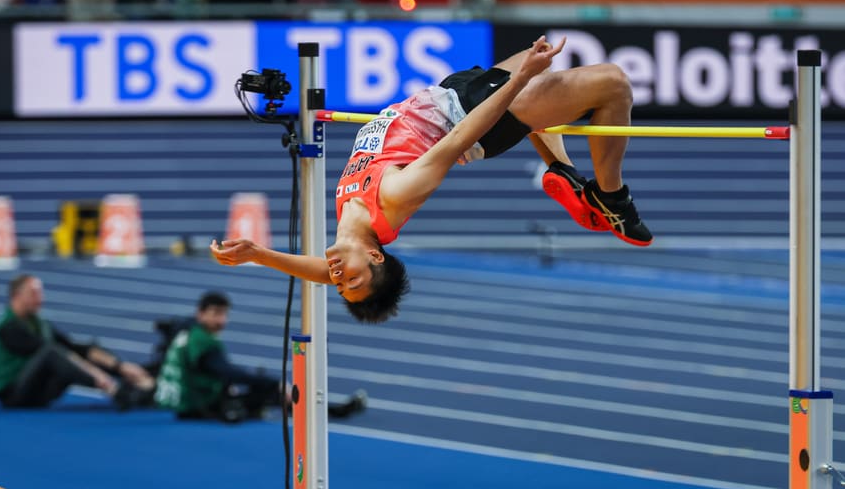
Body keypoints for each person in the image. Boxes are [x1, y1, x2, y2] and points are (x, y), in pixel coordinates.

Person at [211, 35, 652, 323]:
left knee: (547, 70)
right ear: (375, 256)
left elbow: (322, 272)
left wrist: (258, 253)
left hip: (450, 91)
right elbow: (462, 136)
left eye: (340, 286)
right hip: (474, 117)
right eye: (352, 280)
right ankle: (611, 197)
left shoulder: (351, 222)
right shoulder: (394, 196)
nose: (340, 278)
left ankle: (564, 172)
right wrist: (519, 80)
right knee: (613, 84)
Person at [154, 291, 367, 423]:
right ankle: (329, 412)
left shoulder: (187, 330)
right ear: (200, 313)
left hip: (184, 399)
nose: (222, 320)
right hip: (197, 405)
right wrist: (273, 383)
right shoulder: (201, 340)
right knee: (269, 390)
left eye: (224, 314)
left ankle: (324, 410)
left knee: (262, 388)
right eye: (216, 314)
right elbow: (226, 371)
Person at [0, 274, 155, 409]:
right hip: (14, 395)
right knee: (52, 353)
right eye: (34, 294)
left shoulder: (38, 322)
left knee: (78, 351)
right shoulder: (8, 327)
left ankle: (138, 382)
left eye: (40, 293)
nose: (40, 298)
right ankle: (114, 390)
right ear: (17, 296)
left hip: (37, 390)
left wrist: (120, 366)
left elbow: (72, 347)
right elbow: (53, 352)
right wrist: (101, 378)